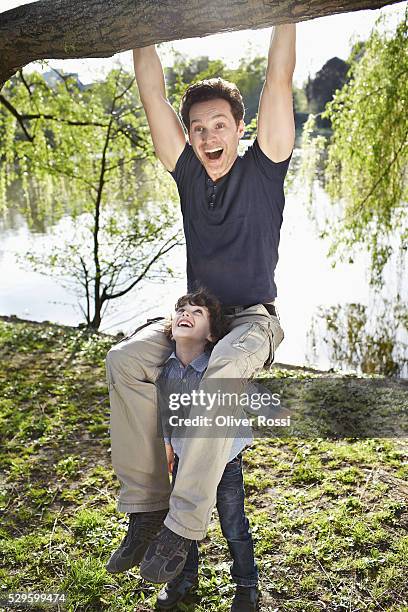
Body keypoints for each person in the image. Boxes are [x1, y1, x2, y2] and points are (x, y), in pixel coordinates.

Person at [105, 23, 295, 611]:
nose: (210, 136)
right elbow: (151, 94)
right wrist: (140, 24)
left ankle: (183, 528)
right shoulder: (188, 175)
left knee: (220, 375)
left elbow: (278, 78)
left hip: (251, 324)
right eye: (199, 128)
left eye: (221, 125)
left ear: (242, 129)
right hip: (197, 318)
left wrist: (285, 13)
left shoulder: (264, 168)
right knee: (125, 361)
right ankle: (146, 510)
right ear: (189, 137)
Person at [154, 289, 258, 610]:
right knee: (184, 514)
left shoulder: (220, 366)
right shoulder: (166, 369)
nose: (186, 313)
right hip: (185, 455)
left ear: (212, 334)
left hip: (223, 458)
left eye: (197, 313)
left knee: (232, 520)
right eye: (181, 309)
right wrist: (168, 445)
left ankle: (246, 584)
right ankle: (184, 577)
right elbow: (165, 412)